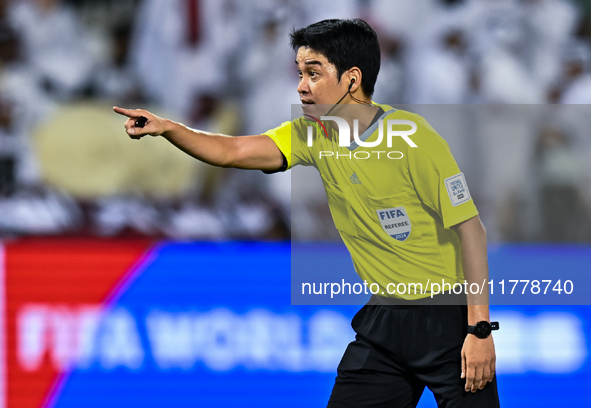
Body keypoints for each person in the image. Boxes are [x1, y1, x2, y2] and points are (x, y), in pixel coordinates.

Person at [114, 18, 500, 408]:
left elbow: (471, 230)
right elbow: (232, 151)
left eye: (313, 73)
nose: (301, 85)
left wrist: (479, 329)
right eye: (300, 73)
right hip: (384, 320)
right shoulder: (313, 134)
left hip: (447, 318)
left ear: (351, 79)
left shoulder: (414, 139)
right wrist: (169, 129)